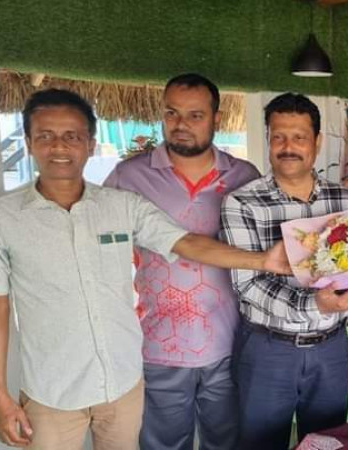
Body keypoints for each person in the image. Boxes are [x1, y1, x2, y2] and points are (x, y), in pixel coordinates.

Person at [0, 89, 288, 449]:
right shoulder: (0, 219)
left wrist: (263, 260)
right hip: (53, 391)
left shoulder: (122, 206)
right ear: (28, 143)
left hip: (124, 383)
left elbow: (185, 242)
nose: (59, 147)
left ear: (90, 144)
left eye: (72, 136)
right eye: (45, 136)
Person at [103, 73, 260, 450]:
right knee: (163, 444)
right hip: (159, 345)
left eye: (195, 115)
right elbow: (102, 250)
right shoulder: (130, 176)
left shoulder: (244, 176)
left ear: (216, 118)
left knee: (226, 443)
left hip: (230, 343)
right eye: (172, 113)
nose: (181, 124)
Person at [221, 93, 348, 450]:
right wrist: (316, 305)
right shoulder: (242, 202)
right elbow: (248, 285)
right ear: (268, 139)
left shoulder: (342, 200)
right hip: (268, 348)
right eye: (278, 137)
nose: (288, 147)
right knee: (259, 444)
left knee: (327, 443)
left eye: (299, 137)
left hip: (331, 348)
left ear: (317, 142)